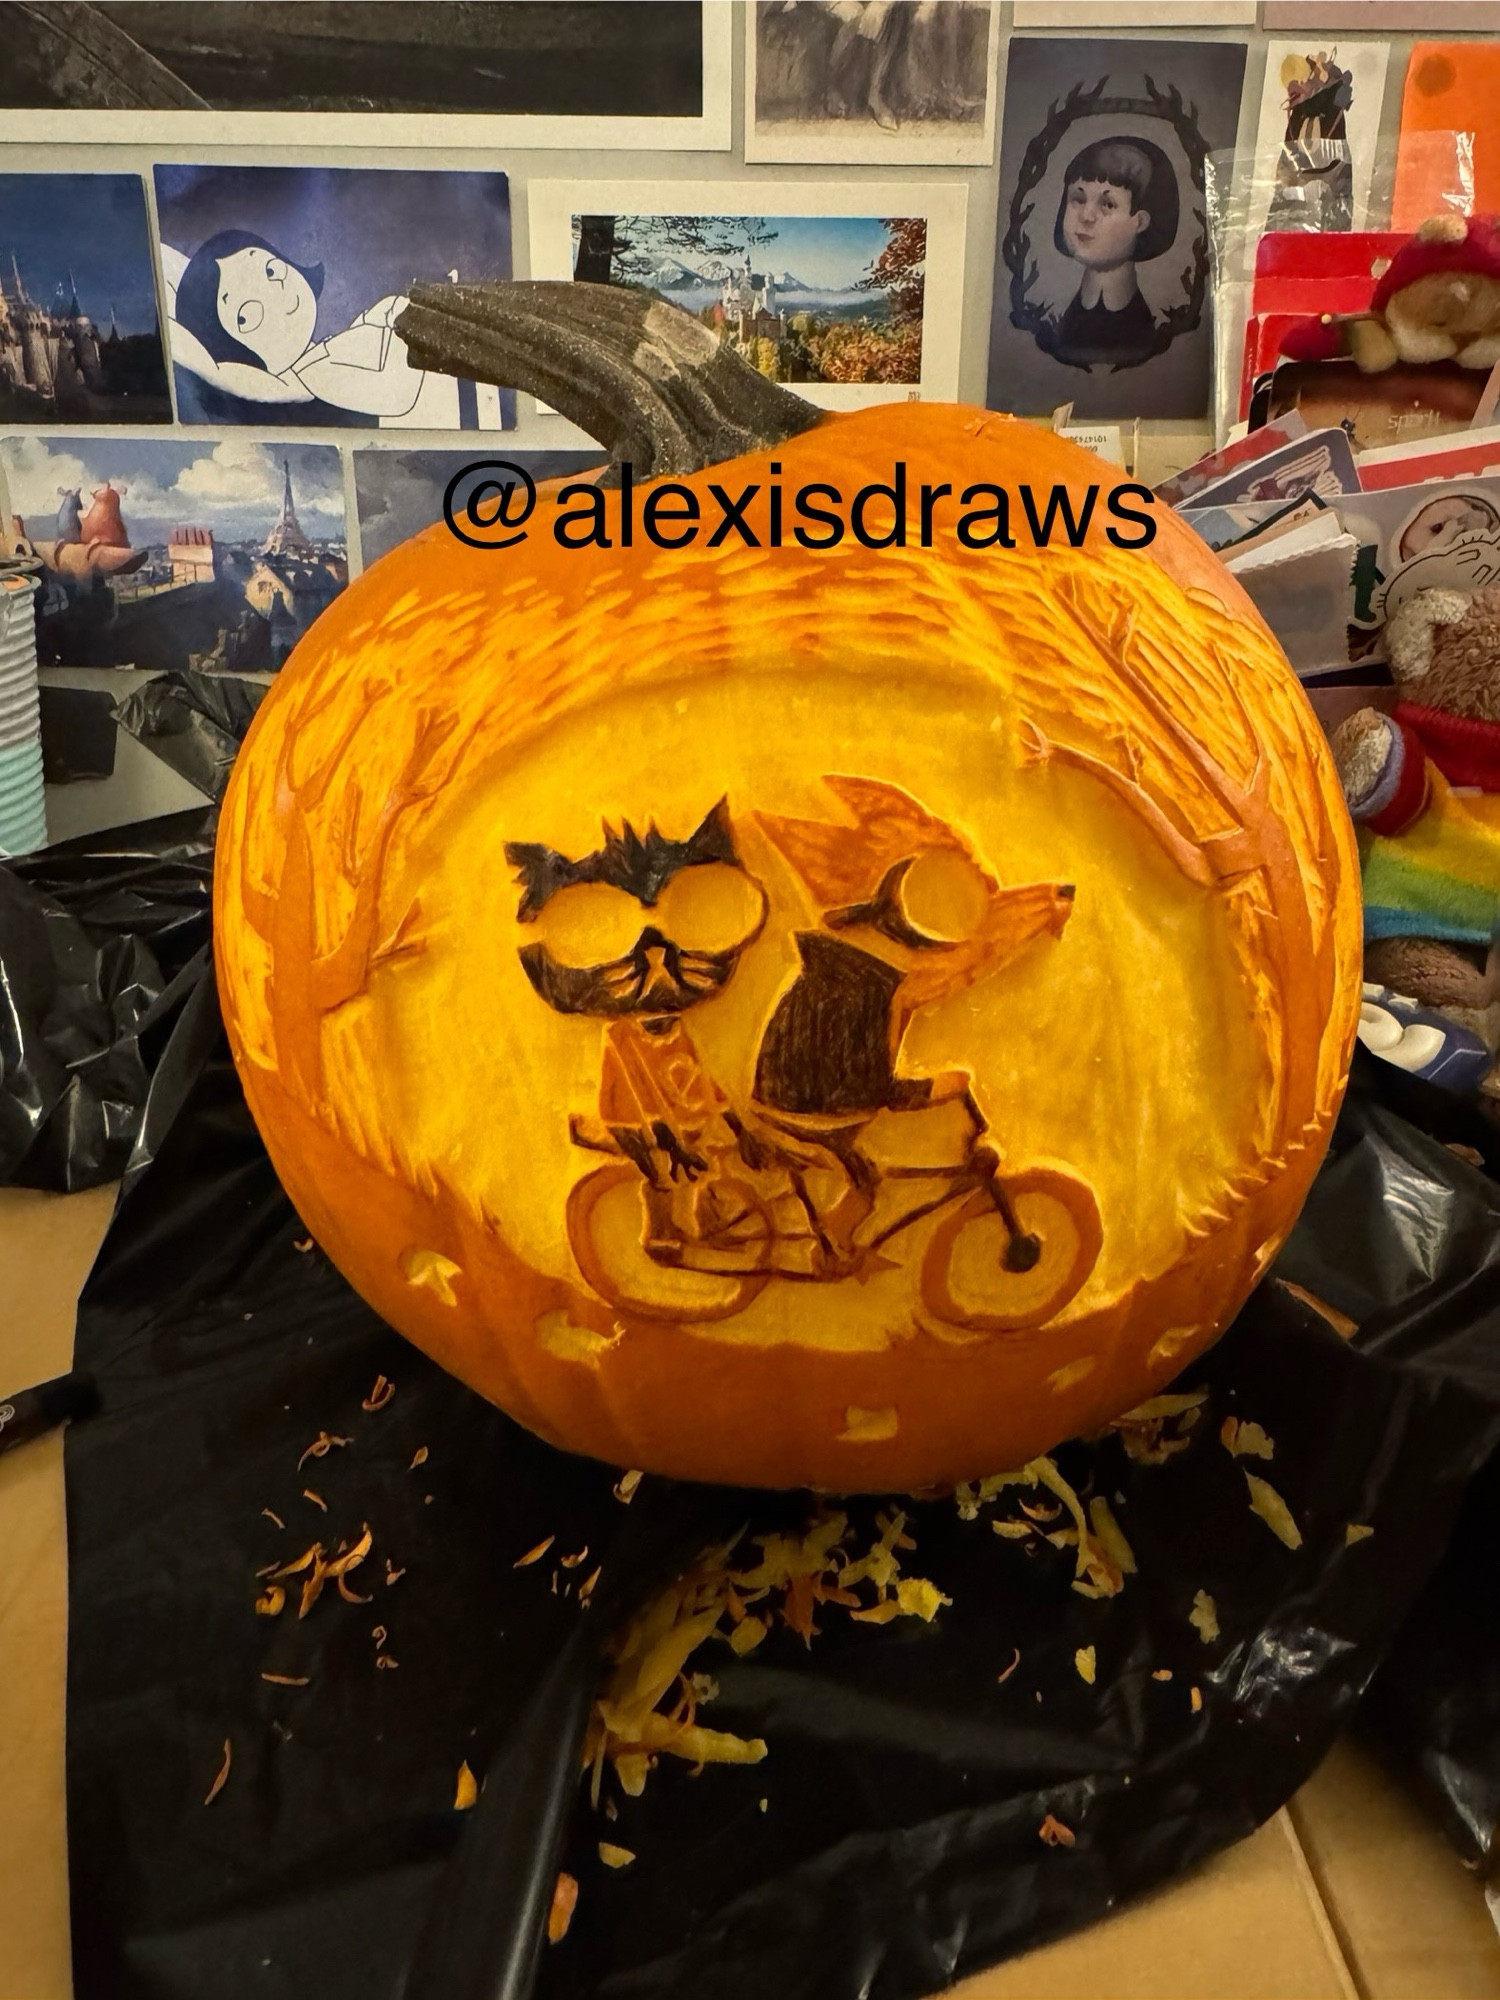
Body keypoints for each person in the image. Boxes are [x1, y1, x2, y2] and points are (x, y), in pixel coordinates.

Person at [162, 228, 461, 426]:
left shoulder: (322, 354)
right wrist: (408, 329)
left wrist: (385, 315)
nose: (274, 293)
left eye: (270, 270)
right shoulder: (315, 374)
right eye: (247, 315)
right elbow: (396, 398)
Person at [1046, 136, 1179, 369]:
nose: (1087, 216)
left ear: (1140, 222)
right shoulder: (1067, 325)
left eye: (1107, 205)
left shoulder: (1139, 330)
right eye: (1078, 199)